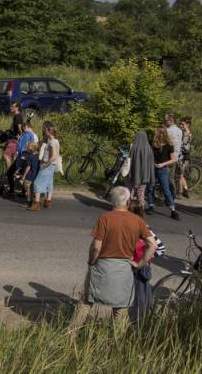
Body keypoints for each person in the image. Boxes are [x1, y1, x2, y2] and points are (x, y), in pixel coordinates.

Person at [70, 187, 157, 335]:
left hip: (103, 265)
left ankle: (71, 335)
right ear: (128, 202)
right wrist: (140, 263)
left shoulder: (105, 218)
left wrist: (91, 262)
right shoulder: (137, 221)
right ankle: (117, 341)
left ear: (112, 201)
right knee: (121, 307)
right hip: (124, 267)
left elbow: (96, 247)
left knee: (86, 302)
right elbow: (152, 245)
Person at [127, 200, 165, 323]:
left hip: (139, 270)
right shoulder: (129, 226)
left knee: (138, 300)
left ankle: (137, 325)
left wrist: (144, 259)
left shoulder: (144, 228)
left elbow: (160, 248)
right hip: (132, 268)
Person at [148, 126, 179, 220]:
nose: (154, 134)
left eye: (155, 132)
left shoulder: (169, 145)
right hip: (152, 168)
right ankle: (151, 206)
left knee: (166, 189)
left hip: (162, 169)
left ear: (160, 133)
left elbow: (174, 159)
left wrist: (162, 164)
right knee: (150, 187)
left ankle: (173, 210)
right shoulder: (153, 143)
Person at [30, 121, 60, 210]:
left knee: (37, 182)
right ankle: (48, 201)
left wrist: (45, 164)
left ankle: (36, 204)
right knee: (49, 183)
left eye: (44, 129)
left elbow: (53, 157)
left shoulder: (52, 142)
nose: (43, 131)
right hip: (52, 166)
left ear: (48, 130)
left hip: (48, 165)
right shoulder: (54, 141)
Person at [128, 130, 155, 204]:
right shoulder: (149, 149)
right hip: (144, 176)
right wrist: (151, 177)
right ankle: (140, 208)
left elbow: (129, 161)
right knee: (141, 194)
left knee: (130, 192)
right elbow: (151, 164)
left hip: (133, 175)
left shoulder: (133, 148)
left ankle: (128, 207)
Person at [178, 116, 192, 198]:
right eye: (180, 124)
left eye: (183, 124)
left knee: (180, 174)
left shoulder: (187, 134)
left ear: (187, 125)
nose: (181, 126)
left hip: (183, 157)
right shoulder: (184, 133)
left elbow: (184, 147)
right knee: (181, 174)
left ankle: (180, 193)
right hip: (182, 156)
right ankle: (186, 189)